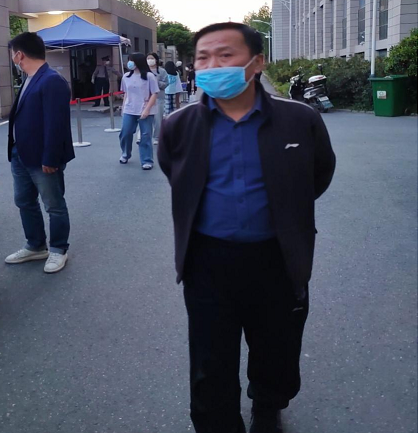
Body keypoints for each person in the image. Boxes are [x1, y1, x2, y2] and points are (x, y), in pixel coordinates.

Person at [158, 23, 336, 433]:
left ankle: (268, 406)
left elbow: (318, 174)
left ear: (257, 63)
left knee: (277, 347)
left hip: (278, 257)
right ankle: (217, 422)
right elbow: (176, 174)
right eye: (203, 58)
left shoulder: (300, 120)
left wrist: (286, 215)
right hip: (207, 261)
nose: (212, 65)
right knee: (210, 358)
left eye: (225, 55)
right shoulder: (179, 125)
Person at [5, 32, 74, 274]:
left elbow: (56, 124)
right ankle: (35, 245)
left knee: (53, 204)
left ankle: (58, 249)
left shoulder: (51, 80)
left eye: (12, 53)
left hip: (43, 157)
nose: (12, 58)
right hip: (21, 153)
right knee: (24, 201)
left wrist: (50, 158)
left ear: (19, 54)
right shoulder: (30, 78)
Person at [118, 52, 159, 170]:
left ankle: (147, 160)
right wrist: (123, 107)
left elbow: (154, 94)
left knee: (145, 135)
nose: (129, 63)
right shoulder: (126, 76)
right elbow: (126, 93)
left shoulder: (149, 76)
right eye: (129, 60)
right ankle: (125, 153)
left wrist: (147, 109)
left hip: (145, 110)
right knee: (125, 133)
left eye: (131, 60)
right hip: (129, 109)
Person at [146, 52, 168, 145]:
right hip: (146, 98)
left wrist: (156, 82)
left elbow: (166, 83)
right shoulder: (144, 71)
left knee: (158, 118)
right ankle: (144, 135)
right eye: (148, 58)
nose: (150, 60)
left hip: (159, 97)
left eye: (152, 58)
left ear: (156, 60)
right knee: (144, 117)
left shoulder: (162, 71)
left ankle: (157, 136)